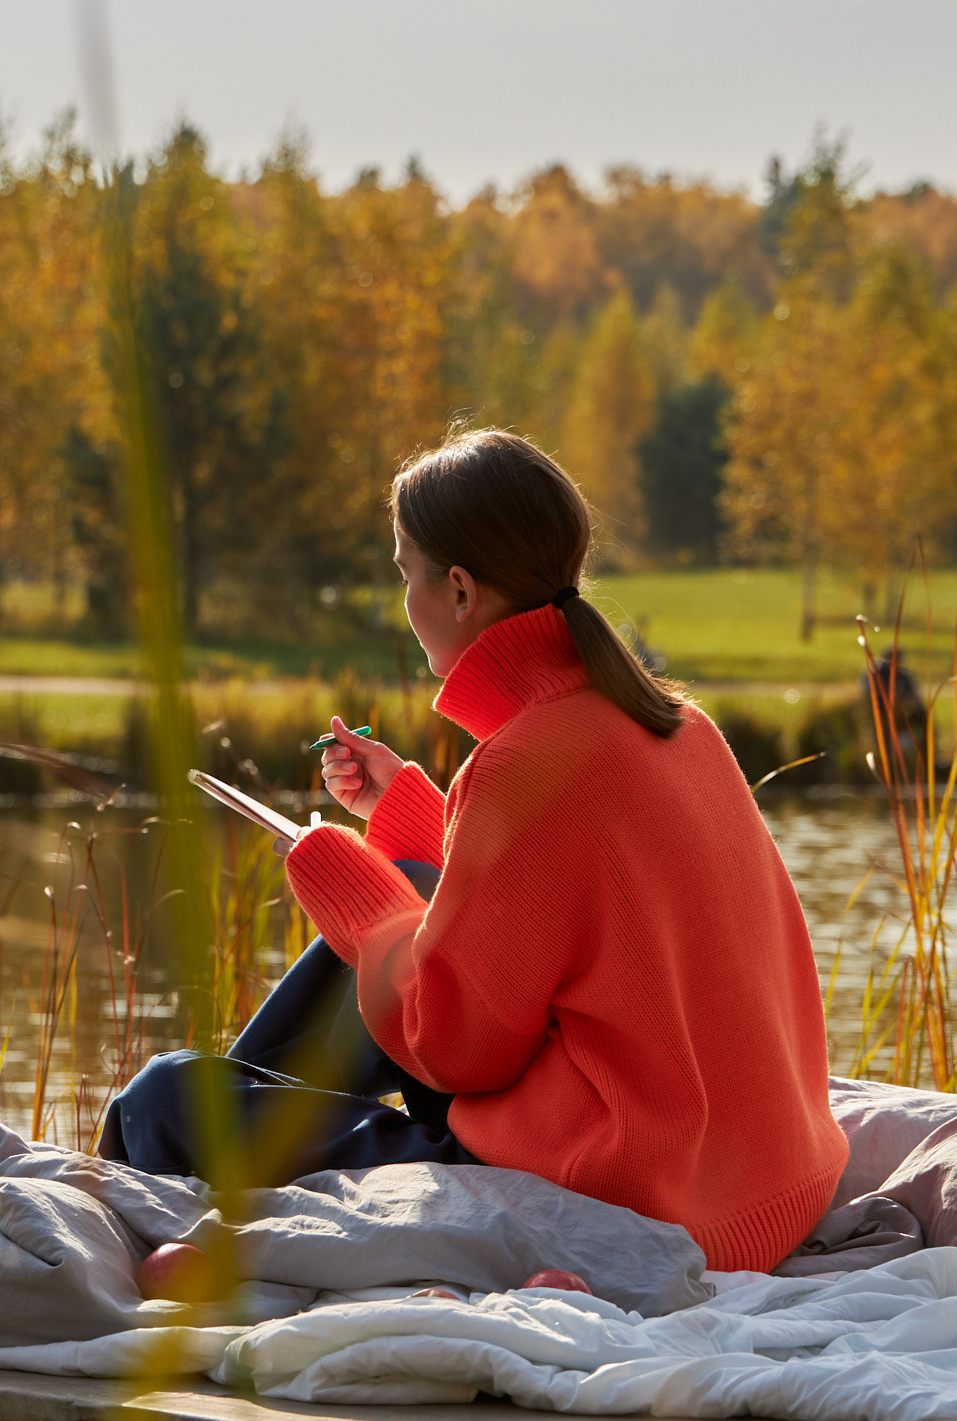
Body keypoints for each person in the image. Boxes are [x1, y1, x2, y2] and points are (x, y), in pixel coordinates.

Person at [105, 428, 847, 1289]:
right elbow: (573, 906)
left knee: (161, 1098)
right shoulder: (676, 726)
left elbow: (455, 1050)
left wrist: (353, 895)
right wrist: (413, 817)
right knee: (417, 884)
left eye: (403, 573)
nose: (403, 600)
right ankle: (236, 1127)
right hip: (764, 1188)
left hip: (631, 1201)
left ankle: (208, 1156)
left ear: (458, 589)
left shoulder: (524, 764)